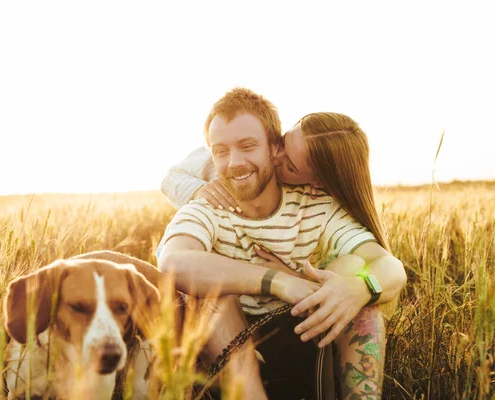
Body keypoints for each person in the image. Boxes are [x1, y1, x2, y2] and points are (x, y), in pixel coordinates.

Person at [157, 88, 406, 399]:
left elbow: (389, 266)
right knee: (210, 300)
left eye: (249, 146)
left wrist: (360, 288)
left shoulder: (317, 205)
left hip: (301, 328)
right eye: (220, 151)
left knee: (357, 285)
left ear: (275, 149)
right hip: (229, 340)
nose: (235, 162)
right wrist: (278, 281)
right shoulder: (207, 203)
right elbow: (174, 261)